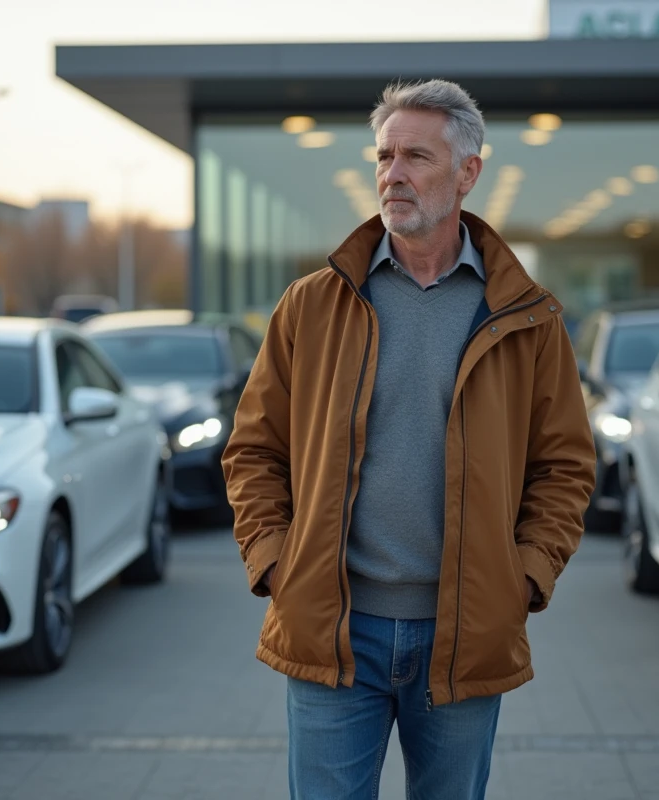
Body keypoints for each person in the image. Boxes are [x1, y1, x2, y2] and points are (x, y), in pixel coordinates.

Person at [222, 79, 597, 800]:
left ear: (467, 172)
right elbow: (253, 449)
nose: (393, 174)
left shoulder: (526, 317)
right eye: (384, 156)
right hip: (332, 630)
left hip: (465, 632)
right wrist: (276, 562)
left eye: (416, 157)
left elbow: (564, 465)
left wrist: (524, 577)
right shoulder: (313, 303)